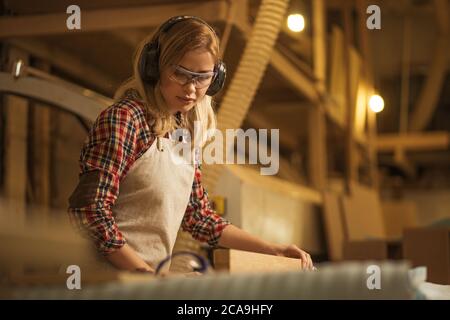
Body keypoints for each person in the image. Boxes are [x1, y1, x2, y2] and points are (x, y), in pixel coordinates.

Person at [68, 15, 314, 274]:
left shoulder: (183, 133)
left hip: (146, 285)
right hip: (106, 283)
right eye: (180, 74)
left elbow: (199, 217)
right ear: (154, 67)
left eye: (202, 77)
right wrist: (145, 275)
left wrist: (273, 249)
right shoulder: (126, 119)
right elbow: (89, 214)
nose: (192, 89)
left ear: (215, 79)